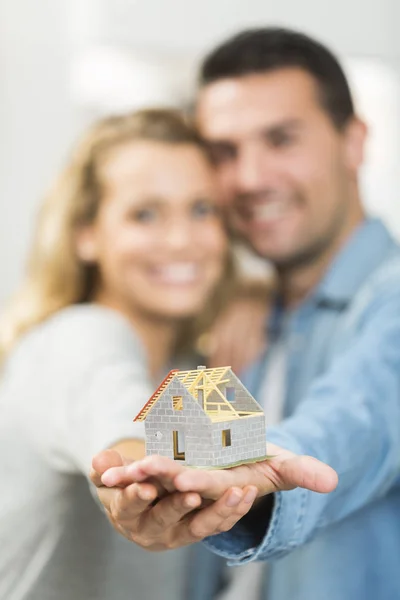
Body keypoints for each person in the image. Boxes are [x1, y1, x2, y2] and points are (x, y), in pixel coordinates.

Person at [92, 28, 400, 600]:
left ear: (354, 142)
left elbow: (355, 417)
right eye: (225, 152)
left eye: (281, 139)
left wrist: (257, 469)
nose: (252, 178)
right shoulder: (237, 323)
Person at [0, 108, 236, 600]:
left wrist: (258, 300)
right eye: (144, 214)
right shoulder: (78, 334)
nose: (181, 240)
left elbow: (236, 481)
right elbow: (119, 424)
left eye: (201, 209)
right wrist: (132, 475)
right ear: (86, 233)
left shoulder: (194, 368)